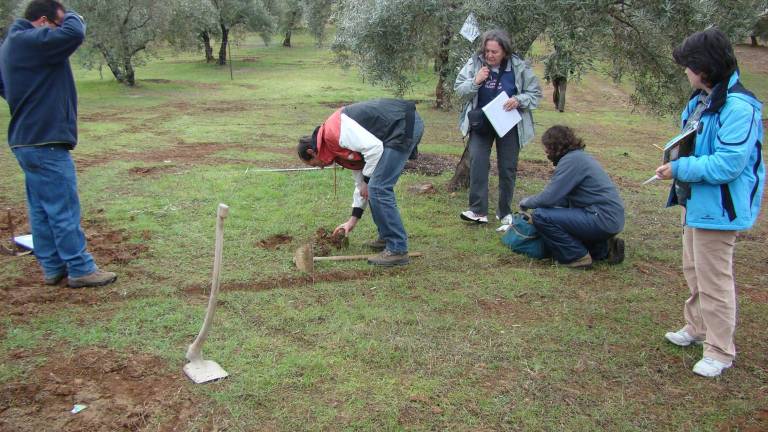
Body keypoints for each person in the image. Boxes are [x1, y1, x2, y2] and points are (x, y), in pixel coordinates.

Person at [655, 28, 764, 378]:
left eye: (688, 65)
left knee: (715, 279)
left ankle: (720, 350)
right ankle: (696, 327)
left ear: (705, 66)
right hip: (695, 201)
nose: (685, 71)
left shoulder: (740, 107)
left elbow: (728, 163)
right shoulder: (702, 99)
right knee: (694, 269)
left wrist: (680, 166)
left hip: (720, 207)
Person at [0, 0, 117, 288]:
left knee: (41, 209)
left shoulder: (11, 47)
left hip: (27, 140)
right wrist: (72, 14)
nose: (60, 32)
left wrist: (28, 101)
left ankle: (52, 267)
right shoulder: (28, 40)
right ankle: (79, 267)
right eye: (57, 23)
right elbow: (75, 33)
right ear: (42, 21)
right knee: (63, 206)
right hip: (44, 140)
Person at [297, 98, 424, 266]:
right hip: (395, 129)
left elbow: (374, 149)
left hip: (403, 125)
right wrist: (352, 220)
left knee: (378, 187)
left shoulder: (335, 134)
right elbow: (361, 184)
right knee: (373, 187)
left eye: (314, 164)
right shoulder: (335, 148)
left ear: (312, 152)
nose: (319, 168)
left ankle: (397, 249)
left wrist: (367, 181)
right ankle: (387, 238)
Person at [454, 29, 542, 227]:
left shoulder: (518, 66)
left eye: (494, 52)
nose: (490, 55)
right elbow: (459, 89)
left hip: (509, 125)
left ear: (505, 52)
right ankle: (478, 211)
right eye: (487, 51)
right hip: (481, 124)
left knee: (508, 167)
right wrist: (475, 81)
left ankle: (504, 212)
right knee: (477, 163)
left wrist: (518, 100)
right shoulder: (475, 63)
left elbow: (535, 94)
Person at [518, 125, 625, 268]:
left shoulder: (571, 161)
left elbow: (549, 197)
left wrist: (527, 202)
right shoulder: (579, 157)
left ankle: (576, 257)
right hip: (609, 217)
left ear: (555, 146)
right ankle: (604, 249)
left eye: (547, 149)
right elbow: (562, 200)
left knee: (541, 216)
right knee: (551, 216)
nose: (546, 153)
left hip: (601, 217)